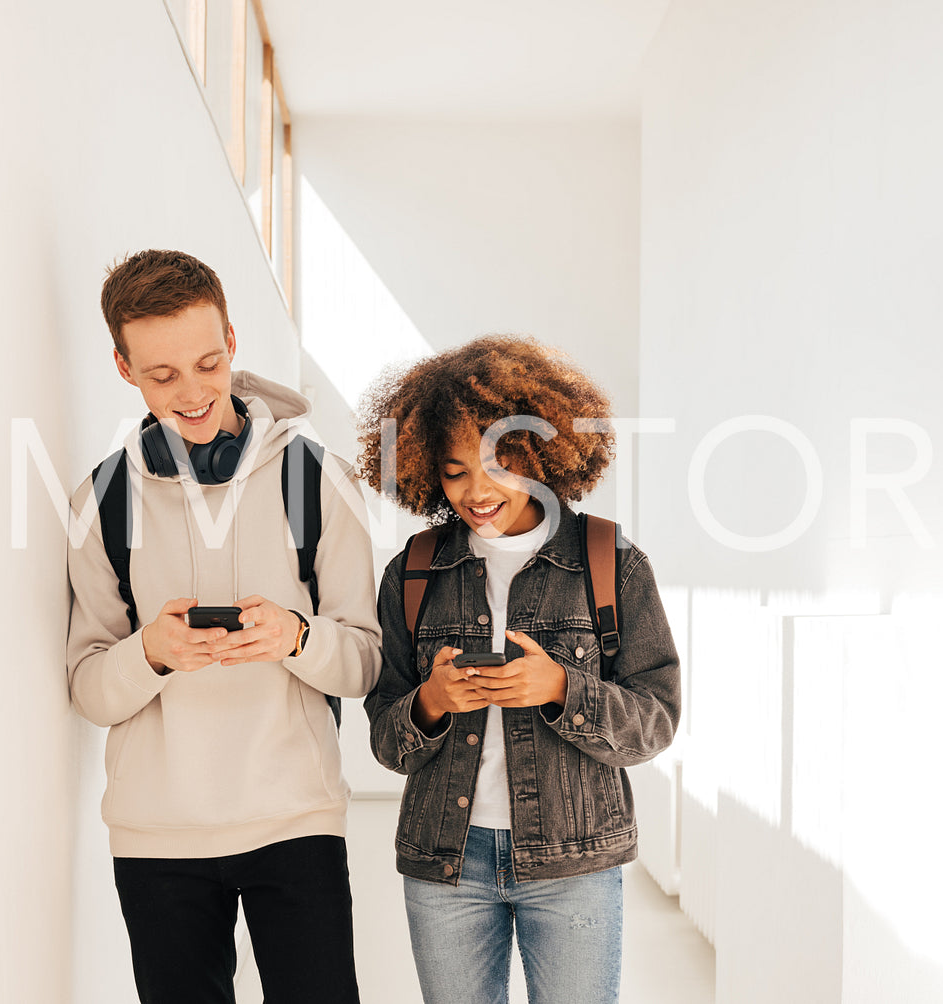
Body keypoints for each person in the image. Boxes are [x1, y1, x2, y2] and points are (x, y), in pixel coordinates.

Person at [66, 249, 380, 1004]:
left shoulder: (317, 480)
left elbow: (365, 663)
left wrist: (296, 639)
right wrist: (149, 652)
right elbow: (88, 688)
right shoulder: (101, 501)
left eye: (207, 363)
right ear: (123, 368)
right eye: (161, 375)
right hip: (156, 835)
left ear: (232, 341)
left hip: (295, 819)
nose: (192, 392)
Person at [357, 335, 682, 1004]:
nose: (475, 491)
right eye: (453, 472)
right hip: (446, 863)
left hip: (574, 863)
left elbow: (655, 722)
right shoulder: (414, 572)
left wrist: (563, 688)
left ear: (539, 455)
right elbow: (386, 740)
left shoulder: (609, 562)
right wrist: (431, 703)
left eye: (497, 465)